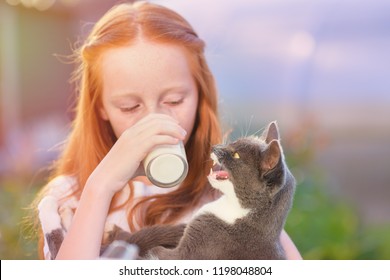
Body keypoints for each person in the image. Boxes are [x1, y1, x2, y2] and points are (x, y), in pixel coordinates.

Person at [31, 0, 302, 260]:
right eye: (129, 106)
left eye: (174, 101)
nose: (155, 121)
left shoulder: (226, 190)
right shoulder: (70, 200)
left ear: (200, 94)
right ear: (100, 106)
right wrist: (100, 187)